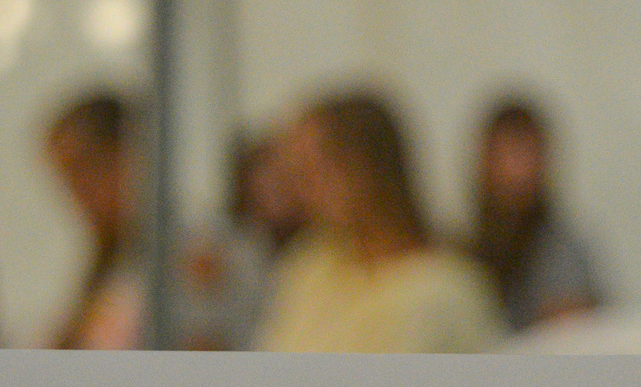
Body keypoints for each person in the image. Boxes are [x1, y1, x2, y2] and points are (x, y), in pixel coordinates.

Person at [259, 90, 503, 355]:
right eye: (297, 173)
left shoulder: (447, 290)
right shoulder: (309, 267)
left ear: (366, 167)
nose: (302, 190)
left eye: (314, 170)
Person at [470, 98, 604, 333]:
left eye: (524, 153)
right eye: (504, 154)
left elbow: (569, 336)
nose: (515, 171)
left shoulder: (561, 251)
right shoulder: (467, 249)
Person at [183, 129, 307, 351]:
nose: (275, 189)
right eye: (266, 177)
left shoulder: (313, 251)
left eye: (284, 177)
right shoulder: (222, 243)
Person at [45, 91, 142, 352]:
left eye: (85, 169)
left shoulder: (188, 258)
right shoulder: (110, 263)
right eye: (67, 179)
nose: (77, 193)